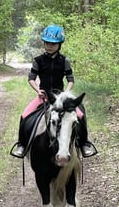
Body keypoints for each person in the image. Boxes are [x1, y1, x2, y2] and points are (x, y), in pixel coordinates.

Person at [10, 24, 97, 158]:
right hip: (44, 96)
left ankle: (84, 144)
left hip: (60, 97)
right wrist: (38, 90)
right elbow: (31, 79)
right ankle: (21, 145)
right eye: (47, 43)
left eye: (53, 44)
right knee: (24, 115)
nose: (49, 46)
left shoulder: (64, 61)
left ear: (59, 44)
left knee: (80, 115)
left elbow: (70, 80)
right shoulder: (38, 60)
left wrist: (66, 93)